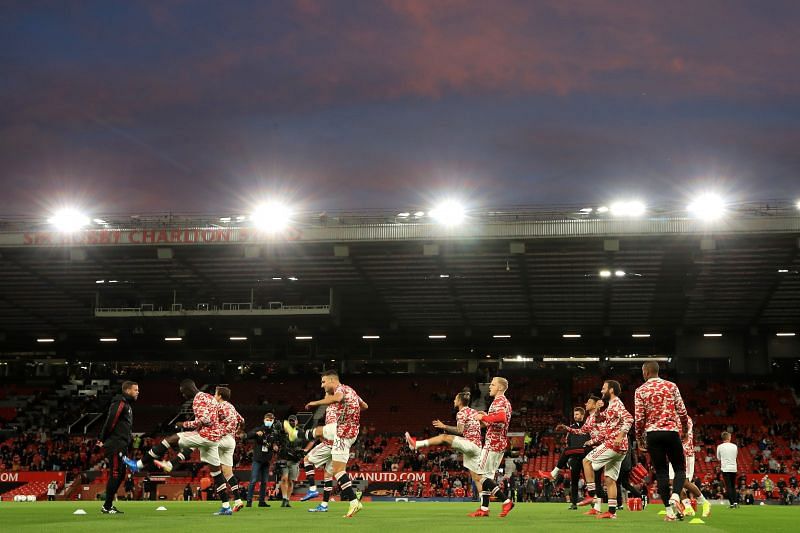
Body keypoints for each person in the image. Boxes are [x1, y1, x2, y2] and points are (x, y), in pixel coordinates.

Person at [126, 379, 231, 515]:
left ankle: (139, 464)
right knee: (216, 472)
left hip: (206, 436)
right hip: (214, 437)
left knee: (171, 439)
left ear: (188, 389)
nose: (183, 395)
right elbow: (215, 415)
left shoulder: (197, 400)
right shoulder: (208, 397)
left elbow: (205, 420)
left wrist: (184, 424)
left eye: (182, 392)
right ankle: (226, 506)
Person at [404, 390, 485, 510]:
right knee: (477, 478)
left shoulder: (461, 413)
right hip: (477, 447)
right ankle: (484, 506)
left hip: (470, 444)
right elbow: (483, 424)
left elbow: (460, 431)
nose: (453, 400)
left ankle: (416, 444)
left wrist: (444, 426)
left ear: (459, 401)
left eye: (455, 399)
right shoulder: (474, 412)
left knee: (443, 437)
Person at [302, 370, 367, 518]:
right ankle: (352, 501)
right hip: (349, 431)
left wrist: (315, 403)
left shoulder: (340, 390)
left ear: (332, 380)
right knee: (336, 470)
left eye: (323, 382)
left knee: (338, 471)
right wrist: (350, 412)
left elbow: (337, 398)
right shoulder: (351, 390)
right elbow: (365, 406)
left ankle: (354, 502)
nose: (322, 385)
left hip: (343, 433)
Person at [635, 361, 689, 521]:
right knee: (679, 469)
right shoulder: (671, 386)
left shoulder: (640, 390)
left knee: (661, 472)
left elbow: (639, 418)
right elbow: (682, 411)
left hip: (653, 434)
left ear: (645, 372)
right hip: (671, 432)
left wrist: (639, 439)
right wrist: (685, 430)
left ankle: (669, 512)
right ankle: (675, 496)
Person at [576, 380, 633, 519]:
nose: (601, 391)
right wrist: (597, 410)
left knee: (586, 461)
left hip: (613, 444)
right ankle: (612, 512)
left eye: (603, 388)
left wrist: (620, 436)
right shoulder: (611, 405)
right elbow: (599, 419)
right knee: (609, 479)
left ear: (611, 390)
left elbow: (629, 419)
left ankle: (591, 495)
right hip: (621, 449)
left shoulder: (617, 404)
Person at [468, 377, 514, 518]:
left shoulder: (499, 401)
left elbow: (501, 418)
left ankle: (506, 500)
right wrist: (487, 417)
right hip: (499, 443)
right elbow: (499, 422)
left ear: (500, 388)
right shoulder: (505, 402)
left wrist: (483, 418)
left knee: (477, 475)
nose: (490, 387)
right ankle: (484, 509)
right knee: (487, 476)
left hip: (492, 443)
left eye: (492, 384)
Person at [98, 380, 139, 514]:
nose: (138, 392)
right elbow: (111, 420)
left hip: (121, 444)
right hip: (115, 444)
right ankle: (107, 506)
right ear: (127, 391)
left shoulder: (126, 405)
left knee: (120, 475)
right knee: (116, 473)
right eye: (135, 390)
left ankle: (108, 505)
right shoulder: (120, 402)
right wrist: (102, 438)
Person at [668, 415, 710, 517]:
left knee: (684, 482)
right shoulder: (671, 417)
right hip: (674, 453)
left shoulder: (684, 418)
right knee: (673, 481)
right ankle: (688, 507)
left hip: (685, 453)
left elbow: (681, 435)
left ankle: (704, 502)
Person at [215, 386, 245, 511]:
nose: (214, 396)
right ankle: (238, 501)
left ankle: (225, 505)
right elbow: (241, 420)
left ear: (220, 396)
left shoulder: (221, 406)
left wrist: (220, 433)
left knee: (215, 471)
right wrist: (239, 431)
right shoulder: (231, 406)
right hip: (231, 441)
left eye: (215, 394)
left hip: (222, 439)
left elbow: (232, 421)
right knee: (228, 472)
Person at [246, 412, 277, 507]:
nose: (269, 421)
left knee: (264, 482)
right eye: (267, 420)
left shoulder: (273, 432)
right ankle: (249, 501)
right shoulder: (259, 429)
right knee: (253, 481)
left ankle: (262, 501)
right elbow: (248, 435)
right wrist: (255, 433)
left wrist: (275, 446)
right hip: (257, 459)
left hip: (266, 460)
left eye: (270, 420)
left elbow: (275, 442)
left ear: (273, 421)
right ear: (264, 420)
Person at [717, 431, 739, 509]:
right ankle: (735, 502)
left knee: (728, 486)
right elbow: (736, 456)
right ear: (729, 438)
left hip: (725, 468)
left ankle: (732, 503)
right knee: (733, 486)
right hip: (733, 468)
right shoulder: (734, 446)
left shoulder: (720, 446)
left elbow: (718, 457)